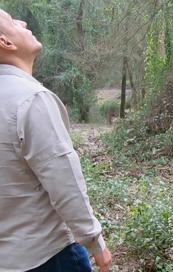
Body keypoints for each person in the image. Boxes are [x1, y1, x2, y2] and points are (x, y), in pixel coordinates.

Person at [0, 9, 112, 271]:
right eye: (13, 22)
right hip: (49, 257)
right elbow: (65, 181)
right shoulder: (31, 99)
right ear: (5, 42)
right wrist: (95, 243)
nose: (24, 22)